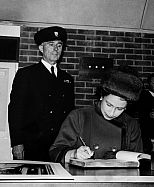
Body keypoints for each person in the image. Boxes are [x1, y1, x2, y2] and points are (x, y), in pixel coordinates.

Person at [49, 67, 143, 164]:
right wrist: (74, 154)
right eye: (109, 105)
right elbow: (55, 152)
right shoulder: (79, 116)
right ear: (102, 96)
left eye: (119, 109)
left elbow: (138, 159)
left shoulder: (131, 125)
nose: (111, 113)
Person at [8, 26, 75, 161]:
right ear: (41, 48)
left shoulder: (67, 79)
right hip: (31, 144)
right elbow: (16, 110)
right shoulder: (26, 75)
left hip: (58, 145)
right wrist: (17, 143)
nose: (56, 49)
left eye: (59, 45)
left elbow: (69, 114)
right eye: (51, 45)